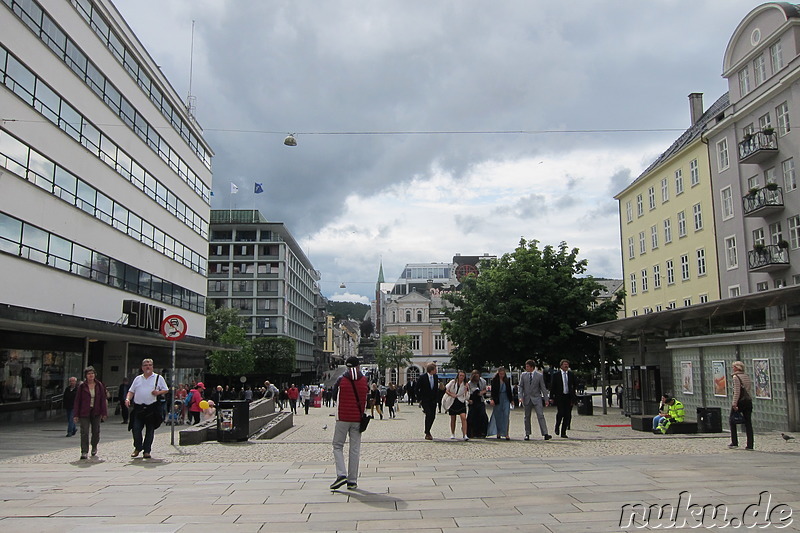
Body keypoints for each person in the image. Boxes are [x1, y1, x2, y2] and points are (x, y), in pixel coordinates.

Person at [330, 356, 368, 490]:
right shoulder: (364, 380)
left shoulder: (341, 379)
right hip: (357, 419)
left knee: (337, 445)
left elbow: (334, 396)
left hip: (342, 418)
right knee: (354, 449)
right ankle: (352, 480)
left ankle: (341, 474)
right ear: (358, 366)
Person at [124, 358, 169, 459]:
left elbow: (166, 390)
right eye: (145, 365)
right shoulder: (138, 379)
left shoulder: (158, 378)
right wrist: (127, 399)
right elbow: (131, 391)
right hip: (139, 408)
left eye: (150, 365)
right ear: (142, 367)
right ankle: (138, 447)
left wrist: (158, 392)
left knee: (150, 430)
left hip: (151, 408)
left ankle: (147, 451)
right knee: (136, 429)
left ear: (152, 367)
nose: (148, 367)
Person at [72, 366, 108, 459]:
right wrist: (76, 414)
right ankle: (84, 451)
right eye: (88, 374)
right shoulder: (82, 386)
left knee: (96, 431)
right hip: (84, 412)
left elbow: (102, 400)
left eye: (92, 373)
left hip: (96, 411)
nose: (91, 375)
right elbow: (77, 401)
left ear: (95, 374)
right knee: (84, 432)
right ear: (86, 376)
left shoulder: (99, 385)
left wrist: (104, 413)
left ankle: (94, 446)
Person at [518, 360, 552, 441]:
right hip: (527, 398)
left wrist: (546, 399)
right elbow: (521, 386)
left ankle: (545, 433)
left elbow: (543, 388)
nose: (526, 368)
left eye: (527, 367)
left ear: (532, 367)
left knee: (540, 416)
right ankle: (527, 433)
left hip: (537, 398)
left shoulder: (539, 376)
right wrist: (520, 397)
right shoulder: (523, 375)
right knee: (527, 417)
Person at [729, 360, 754, 450]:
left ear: (736, 368)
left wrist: (734, 403)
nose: (732, 368)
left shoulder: (736, 377)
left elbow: (737, 391)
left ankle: (734, 442)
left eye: (733, 367)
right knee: (748, 423)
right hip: (748, 401)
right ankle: (750, 444)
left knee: (732, 420)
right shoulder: (746, 376)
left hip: (740, 401)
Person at [550, 359, 577, 438]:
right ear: (561, 366)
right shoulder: (556, 375)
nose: (566, 366)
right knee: (560, 413)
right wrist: (551, 397)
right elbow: (552, 387)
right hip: (560, 396)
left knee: (567, 415)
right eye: (564, 364)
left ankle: (563, 432)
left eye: (567, 364)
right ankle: (557, 426)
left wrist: (573, 397)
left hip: (568, 397)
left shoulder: (571, 375)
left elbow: (574, 385)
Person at [443, 370, 470, 440]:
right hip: (453, 401)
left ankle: (465, 434)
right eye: (460, 375)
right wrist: (451, 394)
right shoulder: (452, 382)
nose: (461, 377)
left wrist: (466, 389)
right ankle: (452, 433)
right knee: (453, 418)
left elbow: (467, 396)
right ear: (458, 376)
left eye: (463, 376)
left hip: (461, 401)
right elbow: (445, 389)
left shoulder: (465, 384)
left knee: (463, 417)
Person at [488, 367, 513, 439]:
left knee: (506, 415)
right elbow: (493, 392)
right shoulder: (494, 380)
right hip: (498, 399)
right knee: (498, 416)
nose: (502, 375)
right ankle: (498, 432)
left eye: (503, 374)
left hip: (506, 399)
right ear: (498, 373)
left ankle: (506, 433)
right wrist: (492, 399)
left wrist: (511, 400)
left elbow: (509, 391)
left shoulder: (507, 380)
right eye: (500, 374)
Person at [416, 363, 439, 440]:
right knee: (428, 414)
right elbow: (417, 388)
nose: (436, 371)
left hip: (433, 400)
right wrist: (420, 398)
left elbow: (435, 389)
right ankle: (427, 432)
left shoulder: (435, 377)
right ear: (431, 370)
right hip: (425, 400)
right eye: (435, 369)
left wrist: (437, 398)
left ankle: (428, 430)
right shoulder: (423, 377)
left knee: (433, 416)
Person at [466, 370, 489, 439]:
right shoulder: (469, 383)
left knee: (483, 416)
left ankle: (482, 432)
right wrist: (468, 400)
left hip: (480, 400)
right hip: (473, 401)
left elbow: (485, 389)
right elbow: (467, 393)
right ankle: (471, 433)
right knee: (472, 418)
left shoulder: (483, 381)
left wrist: (482, 392)